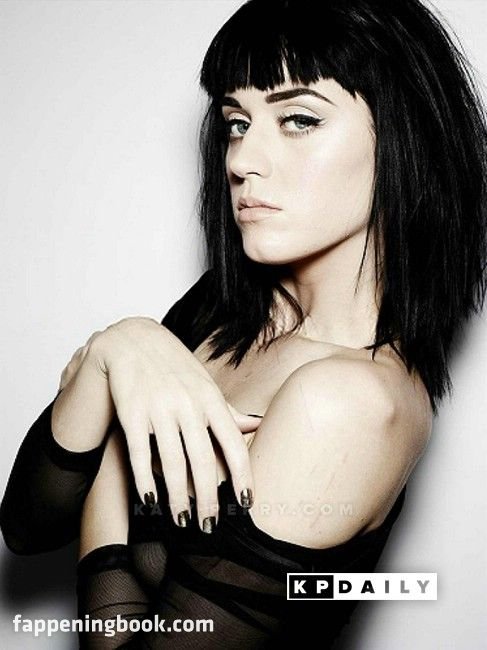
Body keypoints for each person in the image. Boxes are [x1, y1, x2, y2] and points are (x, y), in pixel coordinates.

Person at [1, 0, 486, 647]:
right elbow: (27, 528)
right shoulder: (225, 311)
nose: (241, 160)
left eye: (298, 119)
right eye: (236, 122)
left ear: (402, 138)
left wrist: (117, 444)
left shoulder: (347, 403)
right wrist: (120, 345)